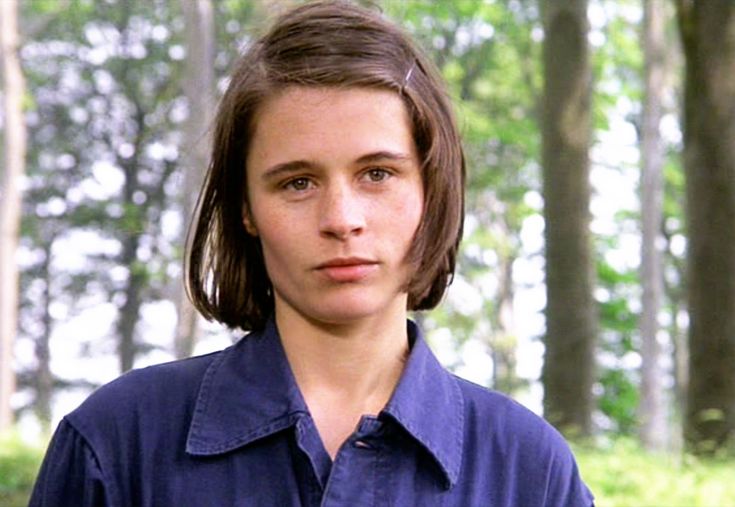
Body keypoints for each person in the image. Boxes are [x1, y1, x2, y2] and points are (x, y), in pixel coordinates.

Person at [30, 1, 594, 505]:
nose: (342, 219)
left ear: (430, 190)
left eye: (377, 173)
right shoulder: (117, 444)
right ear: (246, 208)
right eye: (297, 183)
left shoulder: (529, 470)